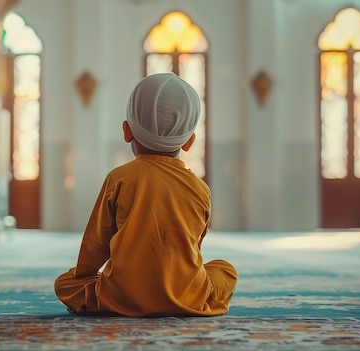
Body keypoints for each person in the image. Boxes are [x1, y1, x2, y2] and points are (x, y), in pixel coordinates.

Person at [54, 73, 238, 317]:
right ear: (189, 142)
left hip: (122, 296)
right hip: (185, 296)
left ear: (127, 131)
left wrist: (86, 276)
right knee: (226, 270)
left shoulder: (119, 178)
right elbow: (192, 245)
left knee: (65, 283)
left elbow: (95, 244)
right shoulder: (200, 188)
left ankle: (108, 302)